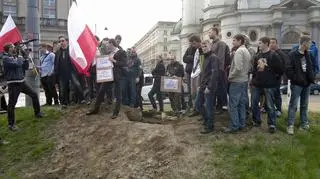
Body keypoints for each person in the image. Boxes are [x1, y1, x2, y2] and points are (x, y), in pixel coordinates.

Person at [3, 43, 43, 131]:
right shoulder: (5, 58)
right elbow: (17, 64)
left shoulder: (16, 57)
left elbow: (25, 67)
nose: (14, 48)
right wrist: (21, 56)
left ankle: (38, 113)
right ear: (8, 49)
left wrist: (26, 58)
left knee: (34, 94)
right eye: (12, 47)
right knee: (12, 105)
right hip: (13, 84)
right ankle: (11, 124)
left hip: (22, 82)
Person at [87, 39, 127, 119]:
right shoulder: (109, 53)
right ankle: (95, 109)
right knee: (101, 91)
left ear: (111, 44)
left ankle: (115, 113)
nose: (106, 46)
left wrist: (114, 60)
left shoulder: (121, 52)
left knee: (118, 95)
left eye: (107, 44)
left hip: (118, 76)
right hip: (108, 76)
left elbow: (124, 63)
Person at [251, 37, 284, 133]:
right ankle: (256, 121)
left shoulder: (273, 55)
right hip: (257, 84)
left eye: (260, 43)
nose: (259, 45)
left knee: (270, 106)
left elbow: (280, 70)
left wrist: (270, 72)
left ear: (266, 43)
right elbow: (253, 69)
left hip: (269, 85)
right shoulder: (257, 56)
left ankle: (272, 124)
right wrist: (254, 78)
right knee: (254, 103)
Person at [286, 35, 315, 135]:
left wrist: (312, 77)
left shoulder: (308, 54)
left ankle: (304, 123)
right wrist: (296, 78)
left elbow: (311, 67)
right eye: (309, 43)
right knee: (293, 105)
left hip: (307, 84)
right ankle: (290, 125)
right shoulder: (292, 54)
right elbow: (288, 70)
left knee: (304, 105)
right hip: (297, 84)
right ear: (304, 43)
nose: (311, 45)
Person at [224, 34, 251, 133]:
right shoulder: (246, 51)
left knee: (233, 105)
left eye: (234, 40)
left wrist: (230, 76)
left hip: (236, 81)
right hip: (243, 80)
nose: (233, 42)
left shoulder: (239, 51)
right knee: (241, 104)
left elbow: (238, 68)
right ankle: (241, 124)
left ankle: (234, 126)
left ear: (240, 41)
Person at [54, 35, 87, 108]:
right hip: (62, 73)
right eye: (60, 41)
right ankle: (64, 103)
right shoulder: (58, 52)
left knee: (77, 84)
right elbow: (56, 63)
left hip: (71, 71)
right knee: (63, 88)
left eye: (63, 41)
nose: (61, 42)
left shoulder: (71, 50)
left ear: (66, 41)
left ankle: (82, 99)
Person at [199, 40, 220, 134]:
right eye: (202, 47)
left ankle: (210, 126)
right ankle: (206, 120)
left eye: (205, 46)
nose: (204, 48)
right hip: (203, 85)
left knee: (209, 107)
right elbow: (204, 73)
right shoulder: (205, 57)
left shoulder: (213, 57)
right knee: (198, 105)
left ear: (210, 46)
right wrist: (201, 84)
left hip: (209, 87)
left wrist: (209, 87)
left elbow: (214, 73)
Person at [209, 27, 230, 114]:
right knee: (217, 89)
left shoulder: (221, 44)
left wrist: (218, 71)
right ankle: (218, 106)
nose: (208, 34)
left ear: (215, 32)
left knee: (221, 89)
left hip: (219, 71)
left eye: (210, 32)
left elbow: (220, 59)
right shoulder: (212, 44)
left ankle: (223, 106)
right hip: (214, 70)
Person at [269, 38, 288, 117]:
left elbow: (285, 65)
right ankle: (270, 109)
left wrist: (279, 75)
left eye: (273, 43)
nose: (271, 44)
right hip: (268, 78)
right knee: (269, 95)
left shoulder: (281, 54)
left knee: (277, 94)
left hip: (277, 78)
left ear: (277, 44)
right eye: (270, 43)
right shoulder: (269, 53)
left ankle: (278, 109)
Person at [183, 35, 201, 113]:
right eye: (190, 43)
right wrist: (191, 58)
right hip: (189, 72)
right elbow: (184, 59)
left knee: (195, 90)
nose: (191, 45)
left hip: (196, 73)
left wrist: (190, 58)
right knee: (190, 90)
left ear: (197, 42)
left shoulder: (200, 50)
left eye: (193, 43)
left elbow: (198, 60)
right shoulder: (189, 49)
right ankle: (190, 106)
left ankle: (196, 107)